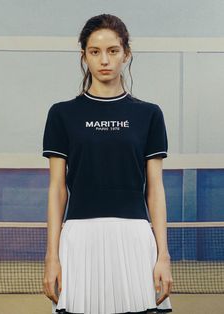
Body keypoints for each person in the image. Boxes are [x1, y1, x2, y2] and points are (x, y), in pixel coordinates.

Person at [42, 13, 173, 314]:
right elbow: (56, 190)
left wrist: (162, 255)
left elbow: (155, 190)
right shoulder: (61, 114)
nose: (104, 60)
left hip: (135, 240)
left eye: (113, 51)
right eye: (95, 51)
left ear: (126, 54)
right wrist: (52, 256)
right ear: (84, 56)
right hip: (79, 241)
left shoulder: (150, 114)